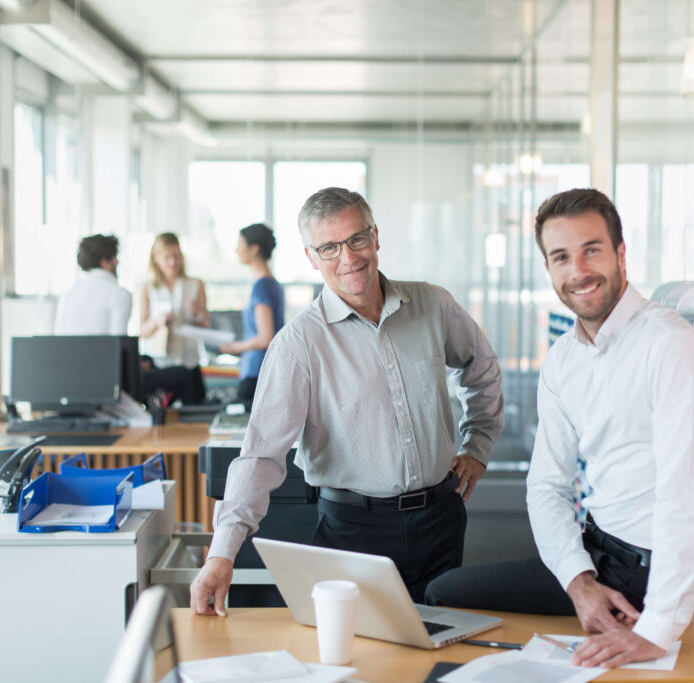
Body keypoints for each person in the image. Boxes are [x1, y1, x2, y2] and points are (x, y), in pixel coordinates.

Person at [424, 188, 694, 669]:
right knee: (443, 593)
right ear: (549, 269)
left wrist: (657, 629)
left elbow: (686, 495)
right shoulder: (564, 358)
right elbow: (545, 485)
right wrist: (578, 582)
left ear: (621, 254)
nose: (578, 271)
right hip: (594, 552)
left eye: (592, 250)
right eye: (562, 257)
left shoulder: (670, 346)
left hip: (645, 571)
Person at [190, 187, 504, 614]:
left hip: (440, 520)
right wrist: (222, 552)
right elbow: (260, 456)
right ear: (311, 257)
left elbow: (481, 369)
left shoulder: (432, 305)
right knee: (360, 661)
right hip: (355, 532)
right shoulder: (299, 343)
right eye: (330, 247)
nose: (348, 257)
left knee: (440, 649)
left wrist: (477, 446)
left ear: (375, 236)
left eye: (357, 239)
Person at [217, 223, 285, 410]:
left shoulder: (262, 286)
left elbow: (265, 338)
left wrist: (234, 347)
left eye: (240, 244)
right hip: (265, 370)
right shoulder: (272, 284)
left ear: (254, 249)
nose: (236, 250)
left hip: (256, 372)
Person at [138, 232, 209, 405]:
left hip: (189, 362)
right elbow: (141, 331)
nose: (173, 262)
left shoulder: (195, 284)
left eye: (176, 256)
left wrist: (197, 312)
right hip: (161, 366)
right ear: (156, 259)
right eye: (167, 258)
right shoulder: (148, 287)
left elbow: (205, 325)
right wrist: (157, 321)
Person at [54, 234, 131, 335]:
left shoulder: (70, 293)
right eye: (114, 257)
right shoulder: (119, 294)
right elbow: (118, 342)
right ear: (105, 262)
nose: (117, 261)